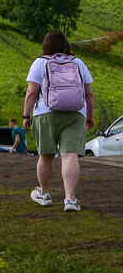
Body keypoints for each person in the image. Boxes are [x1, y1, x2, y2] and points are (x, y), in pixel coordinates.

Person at [24, 30, 94, 212]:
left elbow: (32, 92)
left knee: (46, 156)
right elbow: (88, 94)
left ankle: (44, 194)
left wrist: (26, 115)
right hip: (75, 113)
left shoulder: (40, 62)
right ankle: (70, 199)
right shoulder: (78, 63)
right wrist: (90, 116)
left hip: (45, 113)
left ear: (45, 44)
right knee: (69, 155)